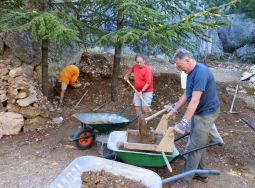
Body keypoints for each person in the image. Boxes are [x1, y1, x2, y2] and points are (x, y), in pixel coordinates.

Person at [165, 49, 220, 188]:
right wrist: (174, 108)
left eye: (179, 65)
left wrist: (183, 122)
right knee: (198, 141)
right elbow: (186, 95)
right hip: (200, 111)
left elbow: (194, 100)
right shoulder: (190, 73)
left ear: (188, 60)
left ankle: (183, 182)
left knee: (194, 147)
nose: (178, 68)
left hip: (206, 113)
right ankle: (202, 174)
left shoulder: (200, 72)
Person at [178, 71, 224, 145]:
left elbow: (186, 94)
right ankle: (217, 140)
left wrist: (178, 107)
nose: (176, 67)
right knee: (206, 120)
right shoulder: (199, 71)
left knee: (194, 124)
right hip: (206, 102)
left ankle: (190, 148)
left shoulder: (184, 75)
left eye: (178, 65)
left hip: (199, 103)